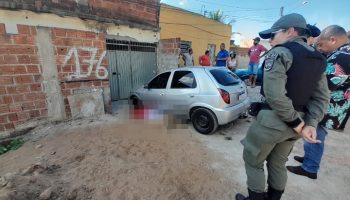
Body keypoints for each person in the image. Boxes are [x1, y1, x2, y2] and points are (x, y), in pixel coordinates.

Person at [235, 13, 330, 200]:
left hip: (275, 122)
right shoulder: (318, 59)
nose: (270, 40)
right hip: (297, 125)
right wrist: (309, 124)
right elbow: (321, 97)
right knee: (278, 163)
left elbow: (275, 95)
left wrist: (295, 122)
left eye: (273, 35)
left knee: (253, 161)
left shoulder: (281, 52)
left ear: (291, 31)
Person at [287, 25, 350, 179]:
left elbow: (325, 84)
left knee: (315, 134)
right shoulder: (343, 53)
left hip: (327, 106)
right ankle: (310, 159)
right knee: (316, 134)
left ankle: (310, 168)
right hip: (331, 104)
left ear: (333, 40)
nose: (320, 49)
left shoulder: (342, 56)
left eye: (321, 44)